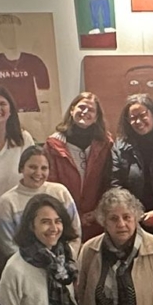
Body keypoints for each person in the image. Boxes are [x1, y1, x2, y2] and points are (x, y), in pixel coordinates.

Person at [0, 146, 79, 273]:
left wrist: (65, 262)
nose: (38, 173)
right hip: (26, 270)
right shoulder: (7, 202)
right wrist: (34, 268)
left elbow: (75, 232)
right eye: (32, 167)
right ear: (21, 168)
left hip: (63, 268)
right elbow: (8, 245)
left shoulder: (60, 192)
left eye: (44, 168)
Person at [108, 95, 153, 235]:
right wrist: (132, 213)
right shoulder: (120, 147)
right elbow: (115, 184)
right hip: (131, 220)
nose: (138, 121)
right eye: (132, 118)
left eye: (142, 115)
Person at [43, 91, 112, 239]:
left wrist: (98, 212)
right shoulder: (53, 145)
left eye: (91, 110)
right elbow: (50, 184)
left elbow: (110, 181)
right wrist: (72, 214)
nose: (85, 112)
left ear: (96, 117)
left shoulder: (106, 144)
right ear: (72, 110)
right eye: (81, 107)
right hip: (64, 219)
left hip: (98, 219)